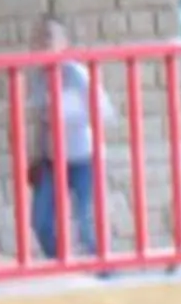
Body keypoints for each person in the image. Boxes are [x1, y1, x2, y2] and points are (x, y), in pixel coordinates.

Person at [26, 16, 116, 260]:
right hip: (51, 158)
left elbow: (105, 112)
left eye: (49, 36)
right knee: (41, 221)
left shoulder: (76, 74)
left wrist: (67, 113)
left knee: (88, 224)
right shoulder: (37, 77)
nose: (42, 42)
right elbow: (41, 120)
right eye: (39, 36)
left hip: (83, 157)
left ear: (63, 42)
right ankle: (62, 265)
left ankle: (105, 274)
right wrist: (35, 154)